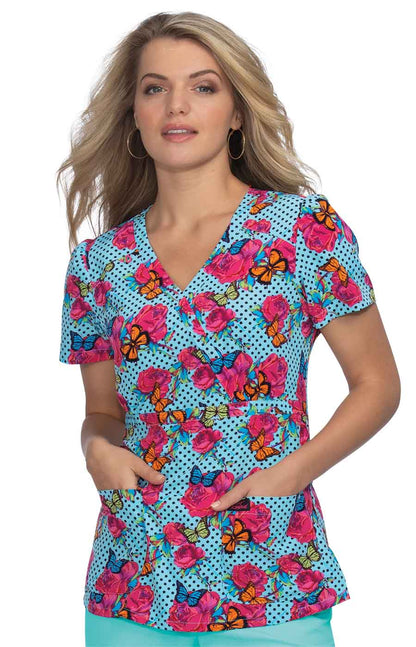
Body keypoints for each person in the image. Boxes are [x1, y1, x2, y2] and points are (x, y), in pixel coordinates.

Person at [57, 11, 400, 647]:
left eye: (203, 86)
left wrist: (289, 476)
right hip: (132, 578)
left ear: (237, 112)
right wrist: (94, 448)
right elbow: (103, 412)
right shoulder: (98, 263)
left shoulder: (303, 232)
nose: (176, 105)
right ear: (133, 114)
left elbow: (378, 386)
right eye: (155, 88)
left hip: (270, 575)